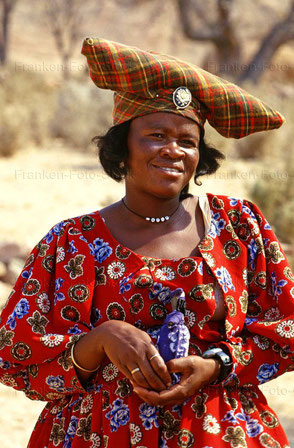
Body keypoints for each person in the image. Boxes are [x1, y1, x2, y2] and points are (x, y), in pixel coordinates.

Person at [0, 38, 293, 448]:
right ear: (123, 146)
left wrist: (219, 363)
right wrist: (100, 338)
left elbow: (286, 325)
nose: (173, 151)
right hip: (98, 434)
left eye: (188, 141)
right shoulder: (70, 242)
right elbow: (14, 353)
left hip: (221, 431)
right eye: (156, 135)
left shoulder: (239, 226)